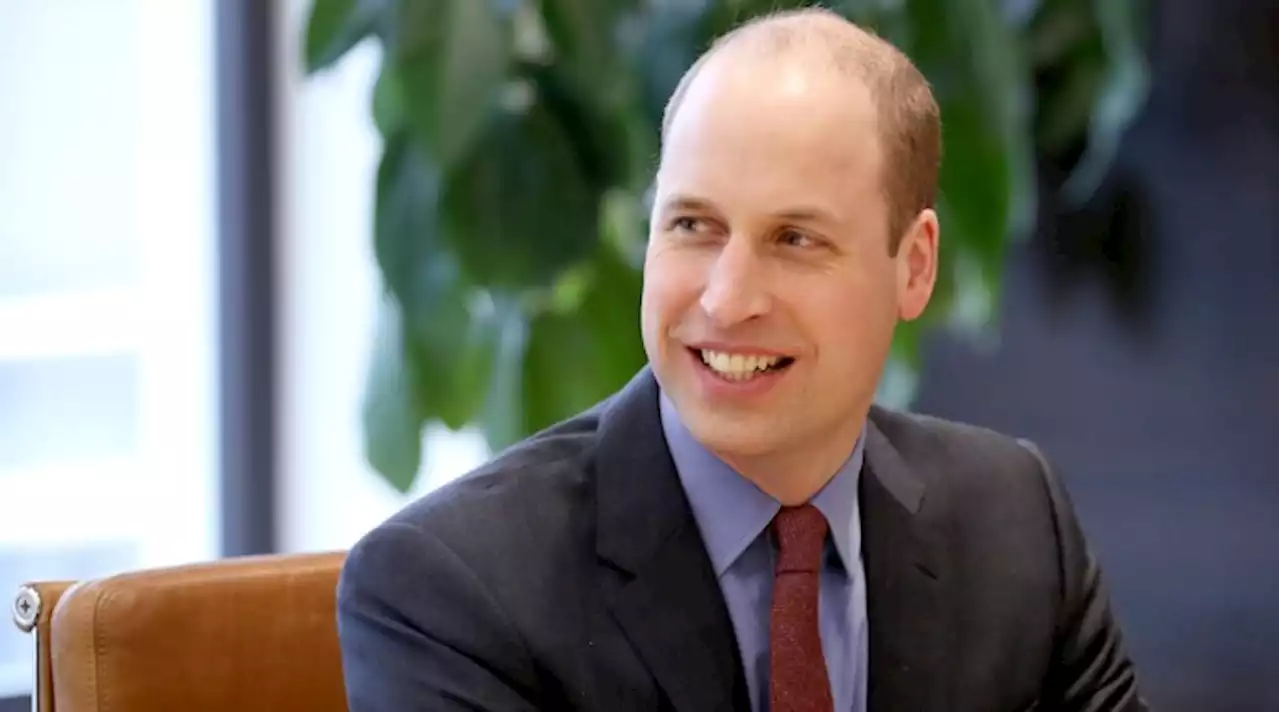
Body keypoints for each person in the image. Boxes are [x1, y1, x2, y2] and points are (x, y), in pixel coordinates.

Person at [336, 8, 1147, 711]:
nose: (727, 300)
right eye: (694, 226)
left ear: (915, 266)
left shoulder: (1016, 520)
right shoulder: (450, 591)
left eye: (796, 240)